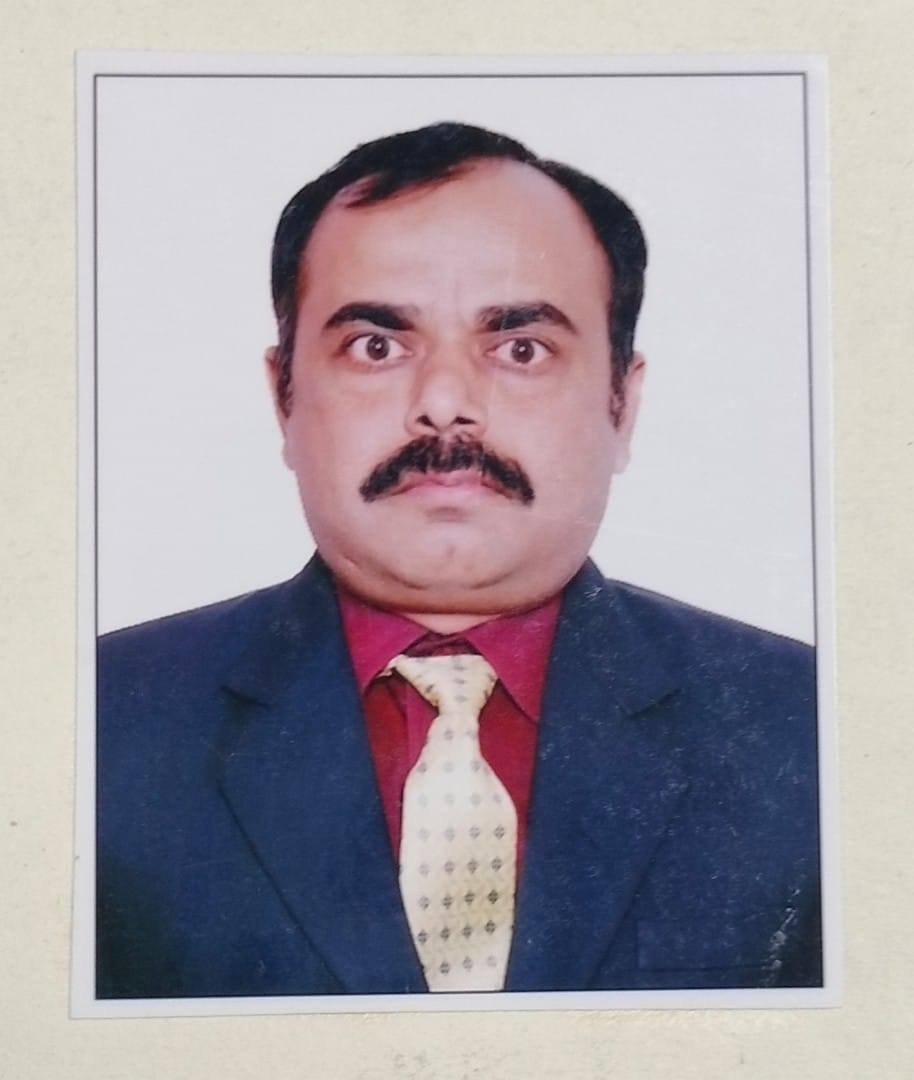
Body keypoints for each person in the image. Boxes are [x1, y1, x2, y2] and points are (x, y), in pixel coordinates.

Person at [96, 122, 821, 998]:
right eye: (377, 345)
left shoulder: (817, 730)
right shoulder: (87, 726)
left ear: (622, 405)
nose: (444, 405)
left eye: (521, 349)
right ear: (284, 398)